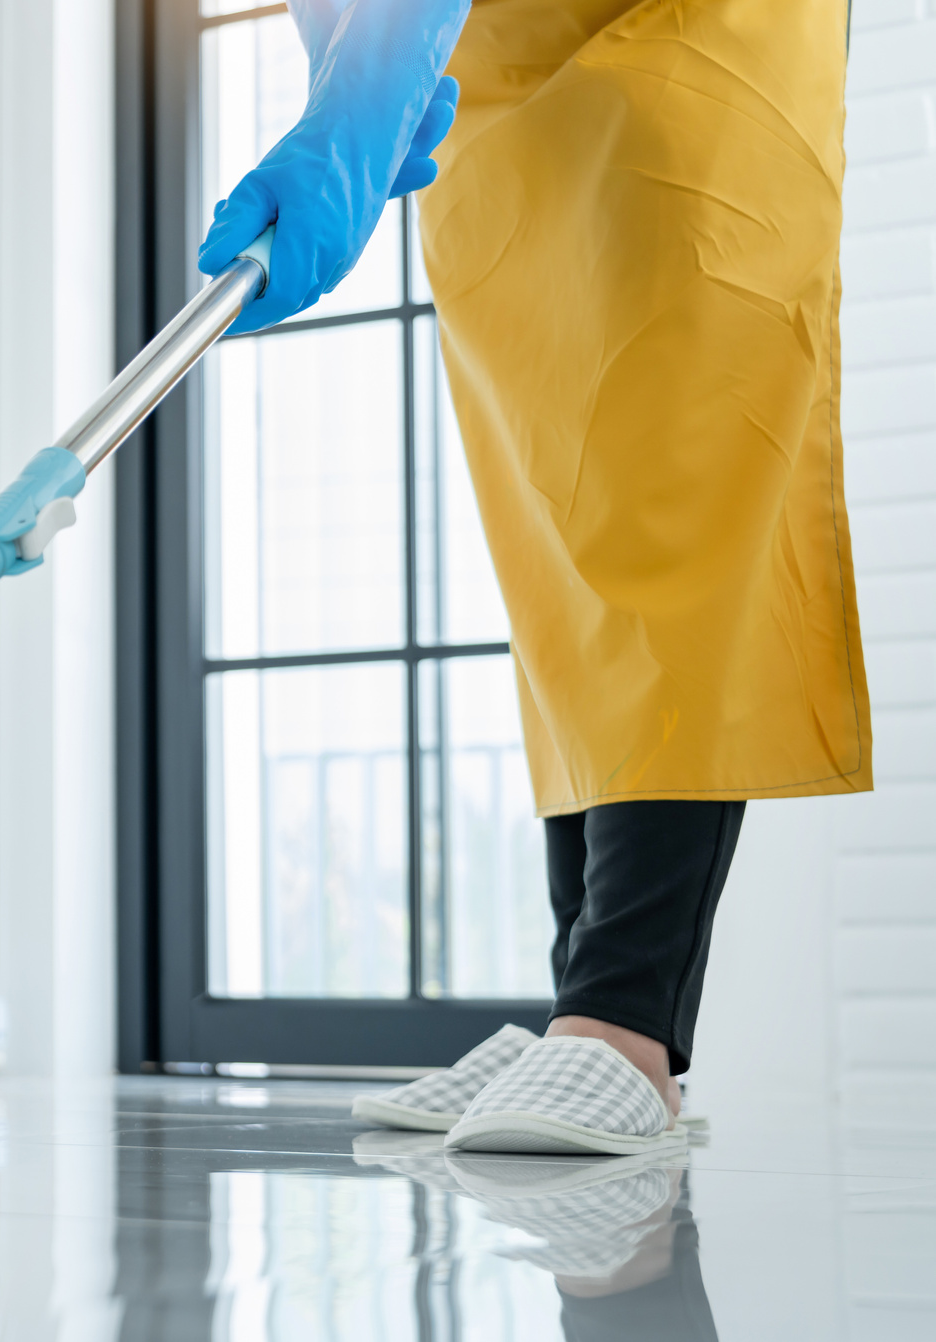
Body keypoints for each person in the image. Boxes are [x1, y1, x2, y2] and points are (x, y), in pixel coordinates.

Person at [205, 0, 869, 1155]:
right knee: (567, 548)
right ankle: (579, 997)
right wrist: (347, 74)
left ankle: (624, 1019)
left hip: (692, 40)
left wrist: (365, 95)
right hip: (510, 96)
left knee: (682, 504)